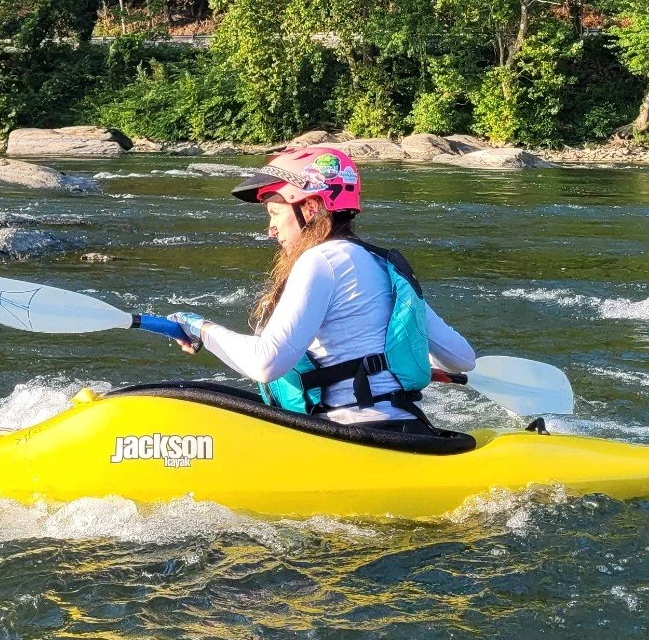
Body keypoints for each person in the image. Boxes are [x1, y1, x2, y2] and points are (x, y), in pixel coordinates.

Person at [169, 146, 476, 429]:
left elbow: (265, 362)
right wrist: (406, 366)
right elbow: (462, 358)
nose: (270, 229)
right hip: (409, 428)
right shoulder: (382, 263)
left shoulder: (321, 260)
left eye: (275, 214)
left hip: (351, 436)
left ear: (312, 207)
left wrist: (199, 328)